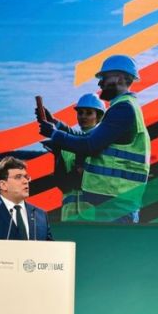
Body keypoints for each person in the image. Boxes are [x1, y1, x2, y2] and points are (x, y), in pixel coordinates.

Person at [38, 55, 151, 223]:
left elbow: (90, 144)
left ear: (120, 78)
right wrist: (56, 124)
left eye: (104, 78)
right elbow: (89, 137)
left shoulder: (123, 108)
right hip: (116, 202)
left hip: (116, 204)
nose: (100, 83)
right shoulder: (124, 107)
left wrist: (54, 134)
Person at [47, 93, 105, 221]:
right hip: (69, 215)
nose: (83, 116)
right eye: (80, 113)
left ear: (98, 116)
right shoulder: (67, 145)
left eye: (89, 113)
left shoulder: (101, 142)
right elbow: (62, 183)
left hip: (93, 215)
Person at [0, 156, 53, 241]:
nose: (25, 181)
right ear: (3, 185)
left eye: (26, 177)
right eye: (18, 177)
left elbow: (49, 247)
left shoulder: (40, 215)